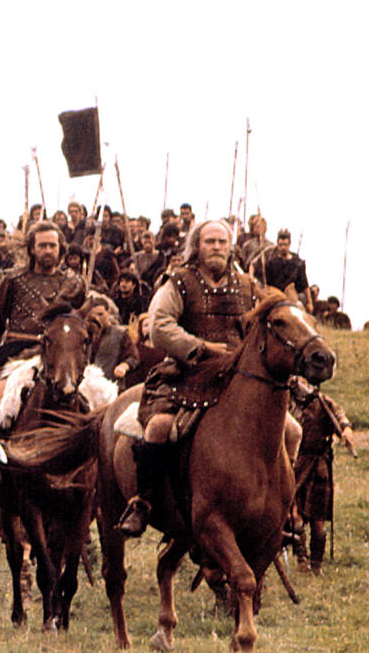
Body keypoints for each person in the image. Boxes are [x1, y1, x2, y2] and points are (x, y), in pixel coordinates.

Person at [117, 219, 257, 536]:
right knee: (160, 426)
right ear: (197, 246)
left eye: (222, 241)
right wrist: (199, 347)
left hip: (235, 379)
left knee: (290, 430)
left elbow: (259, 328)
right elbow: (160, 323)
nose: (217, 247)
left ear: (230, 246)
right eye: (210, 241)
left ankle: (283, 509)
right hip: (184, 373)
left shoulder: (247, 286)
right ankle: (142, 502)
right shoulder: (179, 282)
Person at [0, 221, 86, 421]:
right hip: (18, 356)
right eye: (42, 245)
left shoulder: (74, 283)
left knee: (99, 403)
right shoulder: (13, 281)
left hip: (63, 358)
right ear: (32, 248)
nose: (48, 250)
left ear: (61, 248)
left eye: (52, 245)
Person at [288, 377, 354, 574]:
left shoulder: (323, 402)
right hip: (294, 464)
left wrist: (346, 430)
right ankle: (302, 560)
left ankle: (316, 565)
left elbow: (340, 418)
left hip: (319, 467)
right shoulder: (285, 401)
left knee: (318, 522)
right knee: (293, 514)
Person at [264, 229, 312, 312]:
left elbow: (305, 286)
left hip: (294, 298)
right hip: (276, 298)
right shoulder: (271, 264)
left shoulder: (298, 263)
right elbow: (268, 285)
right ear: (278, 245)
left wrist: (310, 302)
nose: (283, 247)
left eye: (285, 245)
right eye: (280, 245)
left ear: (289, 245)